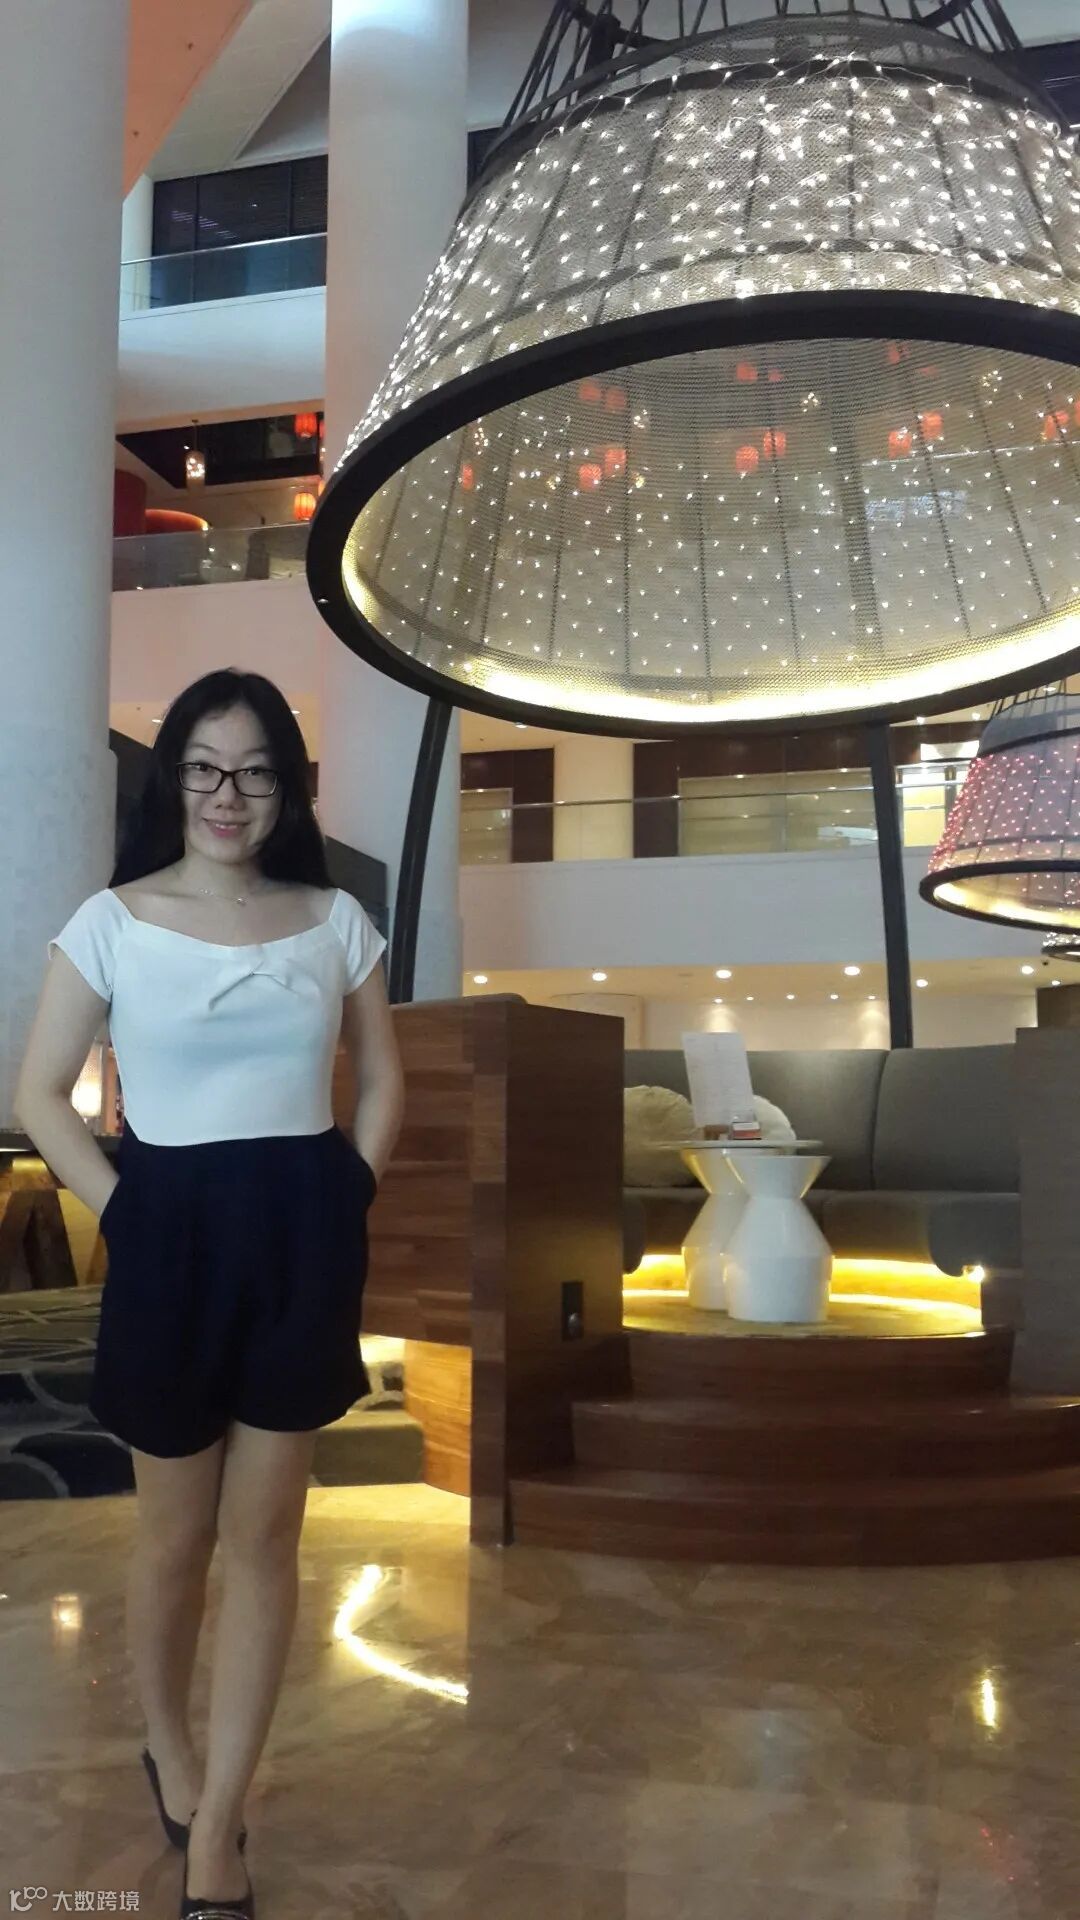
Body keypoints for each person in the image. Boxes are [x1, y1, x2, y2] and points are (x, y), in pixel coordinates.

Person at [14, 668, 405, 1920]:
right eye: (202, 767)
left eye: (254, 771)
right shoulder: (112, 921)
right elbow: (38, 1094)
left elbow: (382, 1079)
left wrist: (348, 1190)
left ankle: (221, 1822)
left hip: (301, 1233)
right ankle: (170, 1748)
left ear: (286, 786)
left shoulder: (334, 919)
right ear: (171, 778)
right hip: (168, 1230)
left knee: (267, 1537)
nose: (227, 794)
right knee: (175, 1536)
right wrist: (127, 1207)